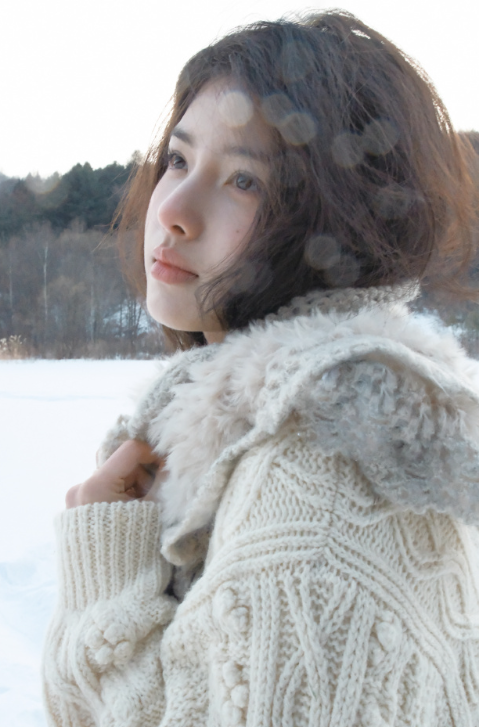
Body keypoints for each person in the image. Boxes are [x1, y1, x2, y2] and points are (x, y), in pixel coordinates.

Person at [42, 10, 479, 727]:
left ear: (336, 221)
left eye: (244, 180)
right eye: (178, 160)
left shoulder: (320, 474)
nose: (173, 210)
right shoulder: (246, 429)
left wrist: (107, 580)